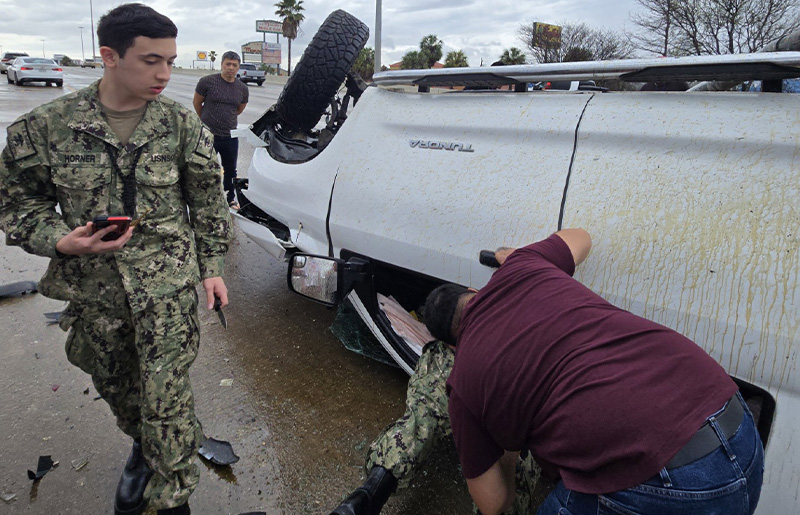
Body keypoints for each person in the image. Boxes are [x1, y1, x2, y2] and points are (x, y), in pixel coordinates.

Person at [0, 4, 231, 515]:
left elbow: (209, 202)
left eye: (170, 61)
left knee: (167, 398)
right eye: (151, 61)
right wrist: (61, 241)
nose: (165, 74)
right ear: (109, 56)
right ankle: (143, 448)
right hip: (95, 292)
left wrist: (211, 267)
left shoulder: (180, 127)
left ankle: (172, 498)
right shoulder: (45, 127)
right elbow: (17, 204)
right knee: (122, 389)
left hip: (166, 287)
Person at [422, 229, 764, 515]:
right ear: (473, 291)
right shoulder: (525, 265)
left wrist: (508, 457)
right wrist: (513, 256)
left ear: (451, 347)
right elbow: (580, 237)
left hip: (675, 485)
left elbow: (494, 503)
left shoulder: (464, 389)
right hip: (739, 426)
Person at [330, 342, 551, 514]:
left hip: (465, 362)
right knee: (519, 457)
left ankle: (360, 502)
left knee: (419, 421)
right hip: (523, 385)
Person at [193, 50, 249, 210]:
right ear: (222, 65)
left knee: (231, 169)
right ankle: (202, 198)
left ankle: (231, 198)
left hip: (230, 136)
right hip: (208, 135)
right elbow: (197, 103)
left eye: (234, 65)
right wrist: (205, 121)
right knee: (203, 167)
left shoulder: (242, 88)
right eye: (228, 64)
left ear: (238, 67)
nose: (231, 68)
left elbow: (239, 109)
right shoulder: (207, 82)